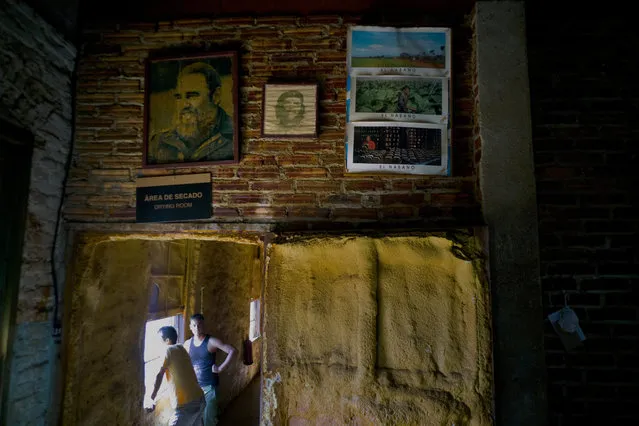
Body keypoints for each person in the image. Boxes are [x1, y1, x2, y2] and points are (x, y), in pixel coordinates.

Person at [150, 62, 234, 164]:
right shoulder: (160, 142)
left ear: (216, 96)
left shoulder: (233, 137)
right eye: (178, 97)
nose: (183, 105)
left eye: (192, 95)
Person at [184, 313, 237, 426]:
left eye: (199, 325)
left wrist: (221, 368)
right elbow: (184, 362)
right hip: (195, 388)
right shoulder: (187, 344)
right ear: (190, 327)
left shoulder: (211, 341)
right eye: (194, 325)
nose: (197, 328)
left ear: (203, 325)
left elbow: (232, 350)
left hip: (209, 387)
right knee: (197, 418)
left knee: (209, 419)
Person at [145, 326, 205, 426]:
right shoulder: (181, 348)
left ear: (167, 340)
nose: (157, 343)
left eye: (159, 339)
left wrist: (152, 398)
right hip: (199, 398)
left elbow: (159, 375)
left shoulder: (167, 350)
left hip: (187, 403)